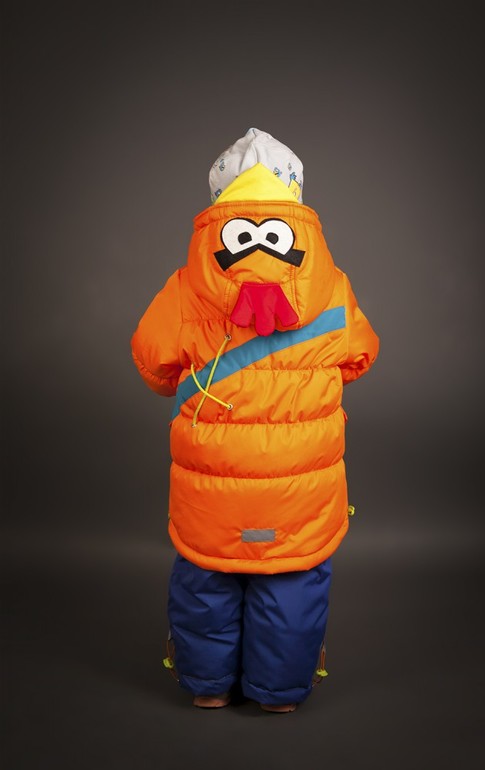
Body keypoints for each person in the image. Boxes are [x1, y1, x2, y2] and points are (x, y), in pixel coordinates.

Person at [130, 127, 379, 713]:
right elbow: (360, 356)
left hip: (210, 487)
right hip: (300, 488)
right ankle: (280, 695)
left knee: (205, 582)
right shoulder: (333, 288)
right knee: (291, 586)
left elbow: (153, 364)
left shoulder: (186, 288)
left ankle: (207, 688)